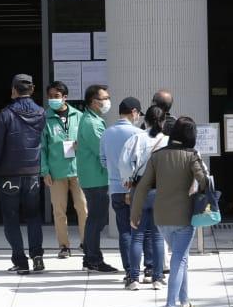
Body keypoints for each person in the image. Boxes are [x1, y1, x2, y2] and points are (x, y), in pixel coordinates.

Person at [131, 117, 210, 307]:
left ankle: (185, 304)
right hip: (184, 216)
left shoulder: (157, 156)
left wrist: (135, 213)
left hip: (161, 217)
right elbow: (203, 181)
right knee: (179, 260)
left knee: (180, 258)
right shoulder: (191, 155)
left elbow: (142, 187)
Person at [0, 74, 46, 274]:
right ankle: (37, 257)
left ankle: (20, 260)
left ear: (13, 91)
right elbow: (48, 143)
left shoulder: (6, 114)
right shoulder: (42, 113)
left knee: (11, 217)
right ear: (32, 90)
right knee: (34, 216)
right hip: (34, 172)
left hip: (9, 174)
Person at [119, 102, 169, 290]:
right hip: (161, 191)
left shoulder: (136, 139)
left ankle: (133, 279)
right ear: (163, 122)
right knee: (157, 236)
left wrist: (127, 180)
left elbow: (124, 163)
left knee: (137, 235)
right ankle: (157, 278)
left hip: (139, 188)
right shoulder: (168, 141)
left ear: (145, 121)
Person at [102, 97, 150, 289]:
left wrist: (115, 173)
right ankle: (148, 270)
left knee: (124, 231)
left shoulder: (107, 134)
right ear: (134, 112)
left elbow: (103, 160)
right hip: (137, 189)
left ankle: (130, 272)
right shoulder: (139, 134)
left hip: (116, 188)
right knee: (143, 230)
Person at [39, 80, 87, 261]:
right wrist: (44, 171)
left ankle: (85, 242)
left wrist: (80, 145)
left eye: (56, 96)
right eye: (50, 96)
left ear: (65, 97)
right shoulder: (44, 118)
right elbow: (41, 147)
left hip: (79, 170)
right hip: (56, 171)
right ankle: (64, 246)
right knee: (59, 210)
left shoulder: (79, 116)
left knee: (82, 208)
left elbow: (87, 141)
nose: (53, 99)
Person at [75, 84, 117, 274]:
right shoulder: (91, 123)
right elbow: (103, 151)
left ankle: (90, 257)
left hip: (95, 177)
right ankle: (93, 258)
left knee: (96, 219)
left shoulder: (94, 119)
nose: (108, 101)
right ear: (94, 102)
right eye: (104, 98)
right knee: (96, 220)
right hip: (95, 178)